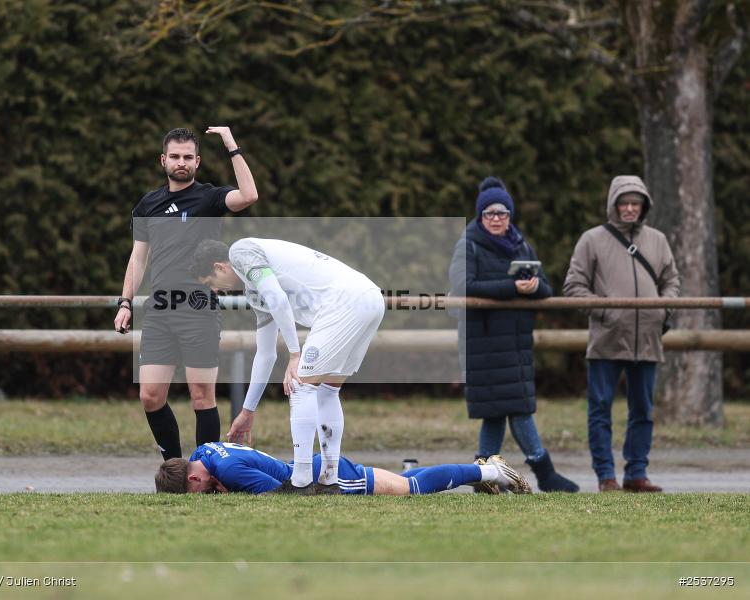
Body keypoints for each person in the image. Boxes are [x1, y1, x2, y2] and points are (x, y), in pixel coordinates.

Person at [189, 238, 385, 494]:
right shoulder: (254, 291)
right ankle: (329, 481)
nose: (215, 291)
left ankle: (301, 481)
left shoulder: (240, 252)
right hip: (369, 299)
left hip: (345, 302)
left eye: (210, 283)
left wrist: (295, 355)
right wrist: (248, 411)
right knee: (328, 390)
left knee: (300, 386)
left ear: (220, 267)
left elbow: (279, 300)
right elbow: (265, 354)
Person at [114, 127, 258, 460]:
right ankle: (176, 470)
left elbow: (249, 195)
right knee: (150, 396)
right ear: (163, 160)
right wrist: (125, 302)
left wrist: (231, 144)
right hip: (159, 311)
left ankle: (205, 472)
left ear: (198, 161)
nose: (182, 162)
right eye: (175, 157)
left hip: (198, 308)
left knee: (201, 397)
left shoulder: (209, 198)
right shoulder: (148, 204)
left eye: (188, 157)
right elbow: (138, 258)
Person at [449, 176, 579, 493]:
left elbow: (546, 288)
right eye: (490, 213)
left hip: (516, 344)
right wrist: (513, 287)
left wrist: (533, 288)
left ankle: (482, 476)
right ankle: (544, 472)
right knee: (516, 409)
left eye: (502, 213)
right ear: (481, 215)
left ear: (510, 215)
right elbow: (463, 287)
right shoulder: (468, 245)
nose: (496, 219)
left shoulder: (521, 244)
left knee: (497, 413)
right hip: (483, 343)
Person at [563, 175, 679, 493]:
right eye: (624, 203)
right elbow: (574, 286)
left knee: (643, 411)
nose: (629, 208)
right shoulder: (591, 240)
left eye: (635, 203)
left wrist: (663, 309)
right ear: (613, 205)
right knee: (600, 409)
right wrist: (607, 313)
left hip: (647, 340)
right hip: (607, 340)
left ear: (643, 206)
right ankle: (606, 476)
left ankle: (636, 474)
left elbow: (671, 281)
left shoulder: (658, 240)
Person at [155, 442, 532, 495]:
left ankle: (491, 473)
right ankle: (482, 472)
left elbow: (282, 496)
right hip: (315, 466)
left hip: (325, 479)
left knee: (409, 490)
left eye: (196, 491)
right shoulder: (204, 452)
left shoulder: (228, 472)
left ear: (193, 477)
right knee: (404, 481)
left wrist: (229, 490)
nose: (203, 494)